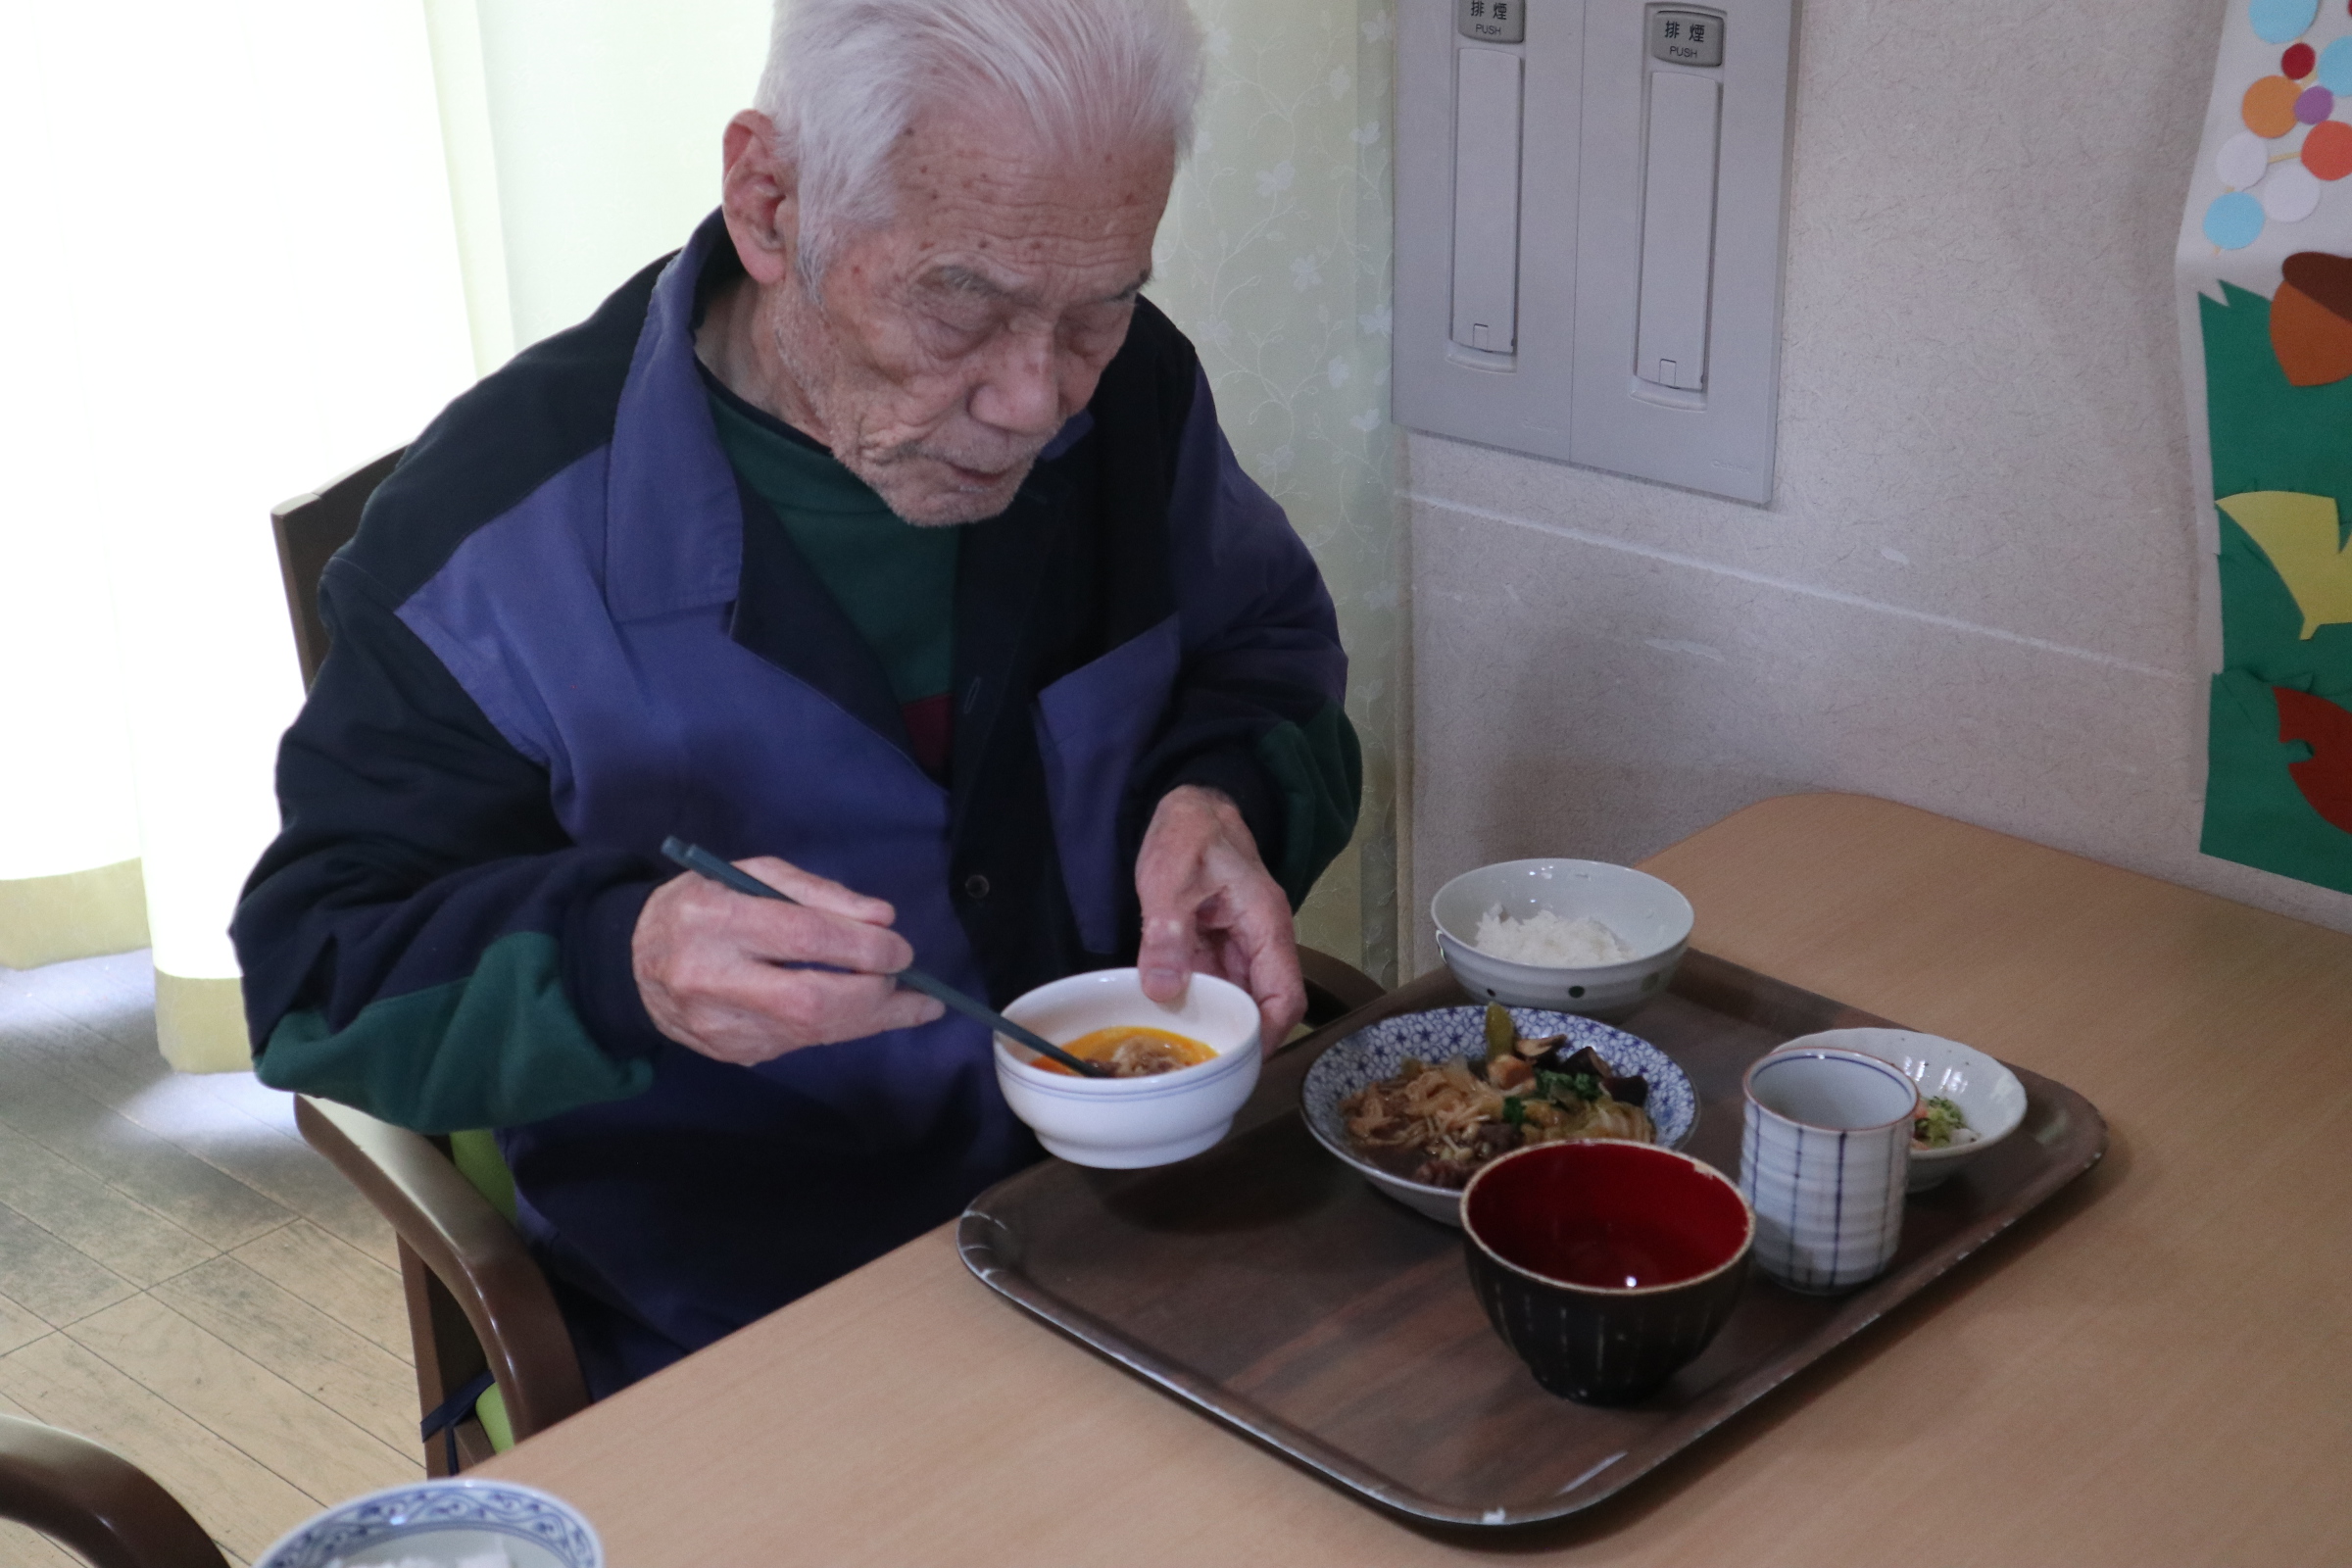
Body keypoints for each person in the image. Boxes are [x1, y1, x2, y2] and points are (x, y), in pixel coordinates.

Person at [232, 0, 1358, 1396]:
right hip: (740, 1323)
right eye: (963, 300)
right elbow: (317, 977)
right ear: (771, 202)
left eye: (1097, 308)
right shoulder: (492, 538)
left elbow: (1271, 657)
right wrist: (622, 964)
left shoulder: (1133, 398)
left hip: (1149, 1229)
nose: (1035, 400)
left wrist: (1225, 795)